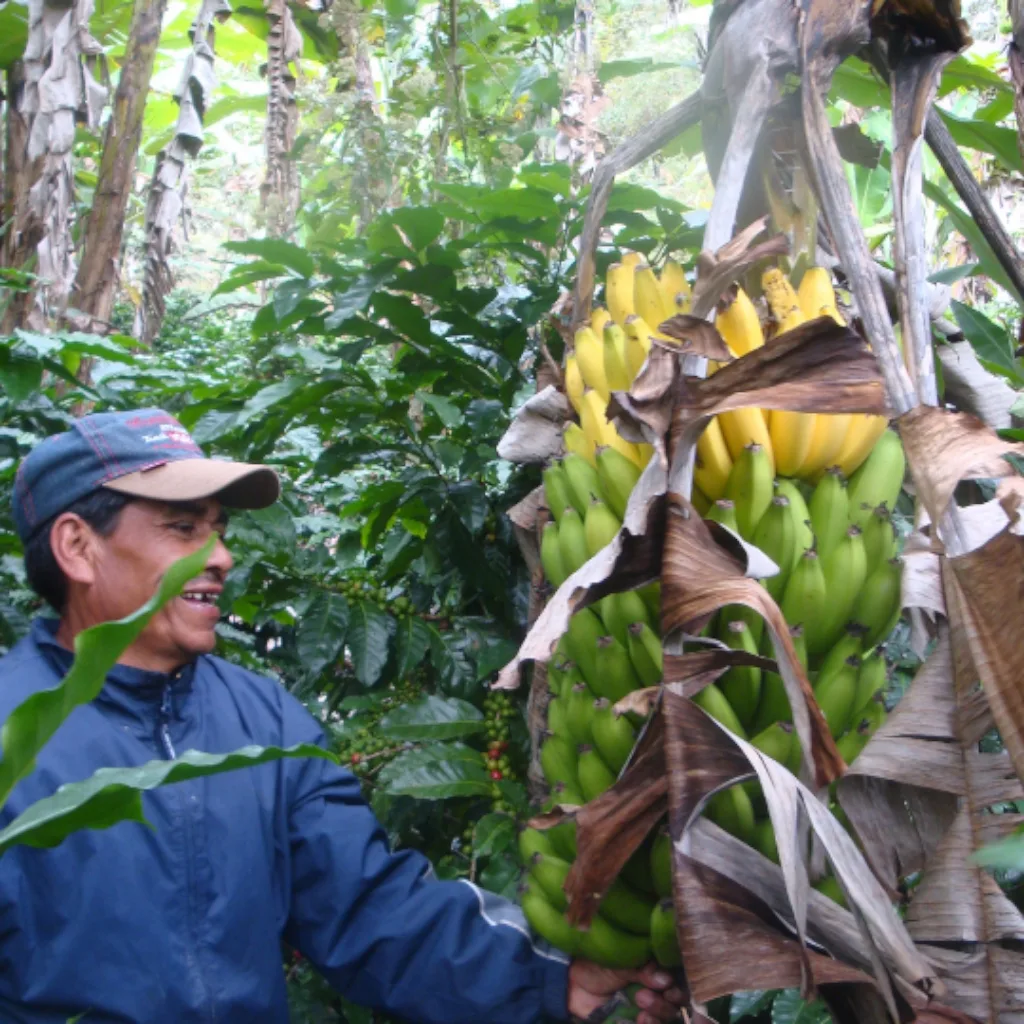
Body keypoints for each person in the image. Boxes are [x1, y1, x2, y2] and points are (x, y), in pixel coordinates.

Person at [0, 409, 684, 1024]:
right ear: (77, 546)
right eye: (182, 529)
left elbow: (365, 910)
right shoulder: (12, 739)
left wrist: (555, 978)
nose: (221, 557)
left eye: (218, 530)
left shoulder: (262, 721)